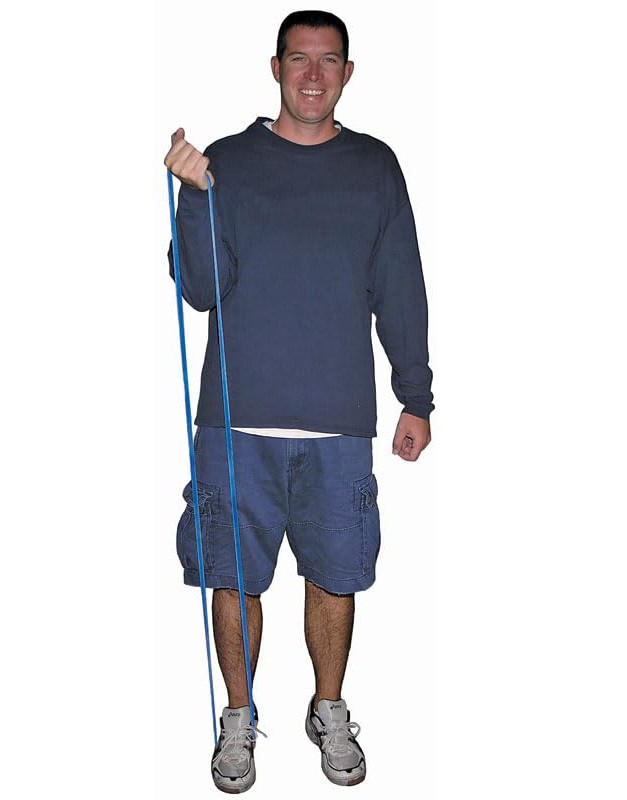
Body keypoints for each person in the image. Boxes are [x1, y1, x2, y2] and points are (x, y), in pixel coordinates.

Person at [164, 9, 433, 793]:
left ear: (348, 72)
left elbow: (401, 287)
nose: (312, 74)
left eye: (328, 60)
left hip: (337, 425)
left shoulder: (375, 166)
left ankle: (328, 707)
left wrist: (415, 396)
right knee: (232, 577)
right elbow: (202, 289)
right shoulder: (226, 162)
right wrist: (194, 195)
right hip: (235, 421)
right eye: (298, 59)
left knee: (336, 575)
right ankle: (238, 718)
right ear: (275, 67)